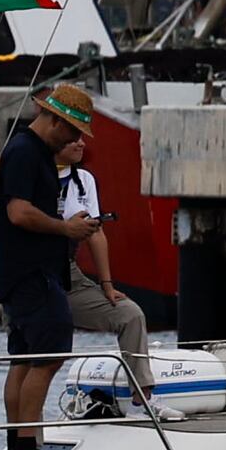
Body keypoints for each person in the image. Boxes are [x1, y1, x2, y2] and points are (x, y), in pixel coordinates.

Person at [0, 82, 96, 450]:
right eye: (71, 128)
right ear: (51, 119)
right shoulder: (26, 153)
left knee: (25, 360)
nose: (76, 137)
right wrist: (65, 228)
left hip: (24, 274)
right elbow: (17, 212)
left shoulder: (27, 152)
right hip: (32, 273)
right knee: (47, 359)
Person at [55, 131, 163, 416]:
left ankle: (143, 398)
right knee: (40, 352)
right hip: (34, 277)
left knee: (130, 314)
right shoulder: (30, 174)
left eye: (81, 137)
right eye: (71, 137)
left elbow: (96, 233)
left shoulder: (84, 180)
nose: (80, 142)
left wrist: (106, 284)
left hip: (70, 273)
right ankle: (26, 436)